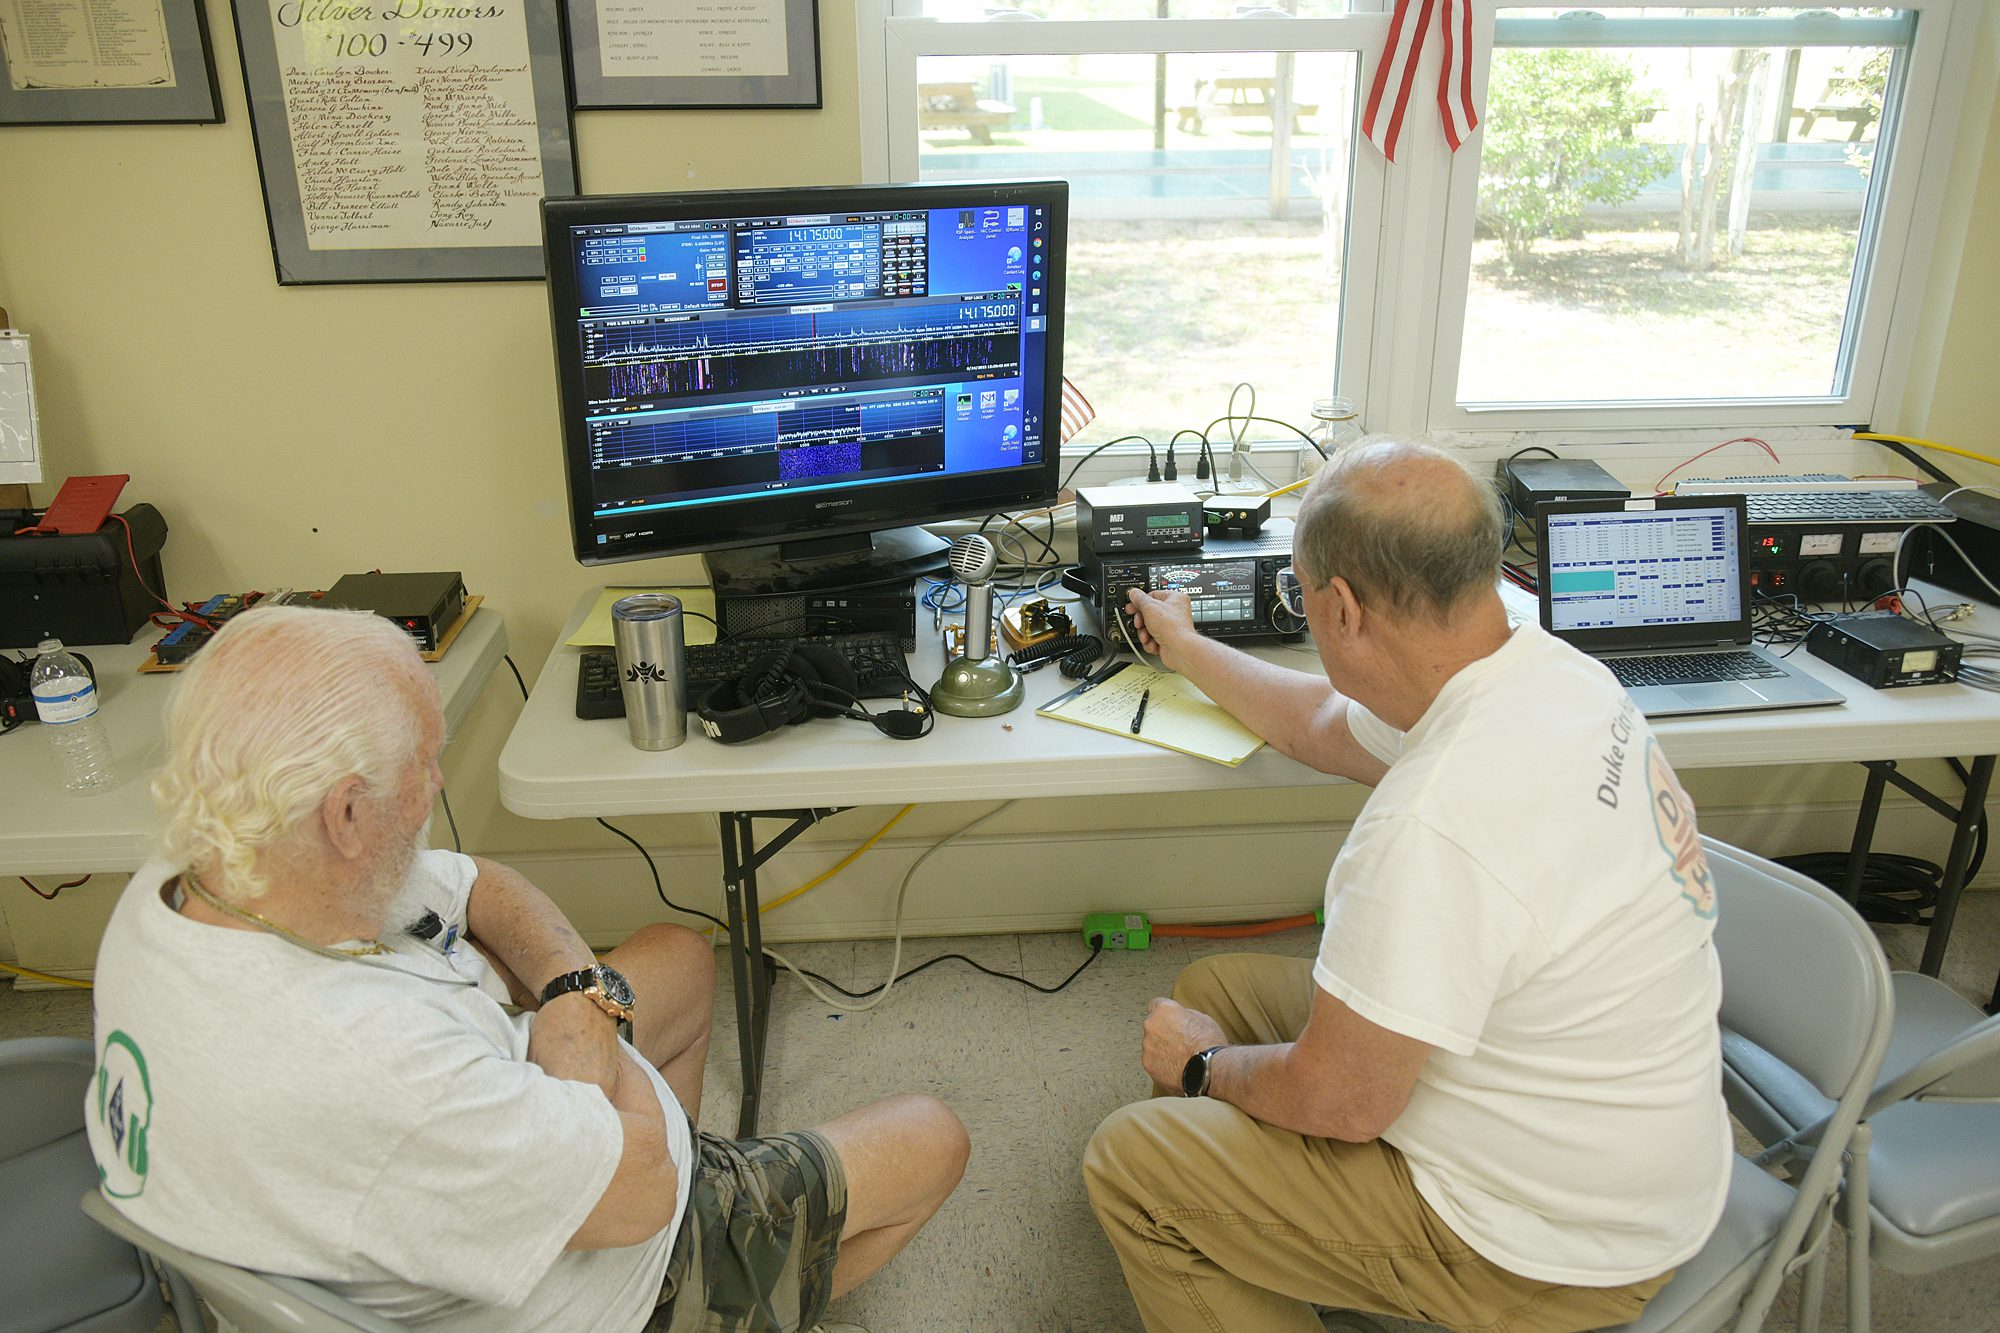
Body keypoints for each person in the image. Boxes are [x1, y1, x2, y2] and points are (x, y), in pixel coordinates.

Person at [85, 605, 968, 1333]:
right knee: (934, 1136)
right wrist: (583, 1036)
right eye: (422, 767)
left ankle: (686, 1179)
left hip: (523, 1148)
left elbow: (479, 888)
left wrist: (570, 990)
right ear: (348, 815)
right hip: (613, 1268)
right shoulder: (376, 1070)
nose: (434, 784)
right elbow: (644, 1194)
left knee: (681, 957)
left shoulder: (206, 870)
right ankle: (723, 1293)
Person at [1083, 440, 1730, 1333]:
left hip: (1549, 1248)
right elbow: (1318, 718)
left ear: (1342, 607)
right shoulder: (1546, 671)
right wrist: (1187, 647)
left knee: (1132, 1163)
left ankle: (1213, 1224)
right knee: (1214, 990)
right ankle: (1264, 1239)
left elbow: (1342, 1103)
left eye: (1304, 597)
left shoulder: (1431, 823)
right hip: (1618, 1144)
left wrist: (1201, 1069)